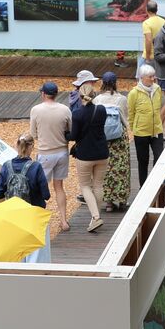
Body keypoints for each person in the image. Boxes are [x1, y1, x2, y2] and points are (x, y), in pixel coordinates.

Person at [28, 81, 73, 231]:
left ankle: (39, 220)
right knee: (59, 186)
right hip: (62, 151)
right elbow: (70, 129)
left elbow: (33, 134)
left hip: (45, 152)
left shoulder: (36, 110)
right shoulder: (65, 109)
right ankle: (64, 220)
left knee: (40, 187)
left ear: (43, 94)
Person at [70, 84, 109, 233]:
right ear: (94, 94)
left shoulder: (77, 114)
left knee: (85, 186)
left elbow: (73, 136)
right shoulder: (101, 110)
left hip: (85, 155)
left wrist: (65, 134)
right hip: (102, 152)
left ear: (80, 97)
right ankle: (95, 219)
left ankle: (96, 216)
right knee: (98, 186)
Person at [95, 71, 130, 211]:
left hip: (103, 138)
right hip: (118, 137)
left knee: (106, 169)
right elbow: (125, 117)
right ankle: (122, 200)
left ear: (102, 83)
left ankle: (109, 202)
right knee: (121, 168)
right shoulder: (121, 99)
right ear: (115, 83)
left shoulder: (97, 99)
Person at [127, 65, 165, 186]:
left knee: (159, 157)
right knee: (143, 161)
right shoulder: (134, 93)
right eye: (150, 77)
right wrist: (134, 129)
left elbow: (158, 107)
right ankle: (143, 186)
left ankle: (155, 184)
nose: (153, 79)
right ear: (142, 77)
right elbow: (131, 113)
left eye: (154, 76)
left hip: (157, 130)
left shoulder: (157, 89)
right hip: (141, 132)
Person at [0, 134, 50, 209]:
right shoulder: (36, 166)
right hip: (33, 210)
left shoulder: (6, 166)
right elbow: (46, 195)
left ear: (17, 145)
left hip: (13, 210)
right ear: (32, 147)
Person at [139, 0, 163, 77]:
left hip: (150, 55)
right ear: (157, 10)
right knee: (156, 78)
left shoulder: (146, 23)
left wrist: (147, 57)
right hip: (160, 55)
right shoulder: (163, 21)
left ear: (147, 10)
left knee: (141, 77)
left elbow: (148, 40)